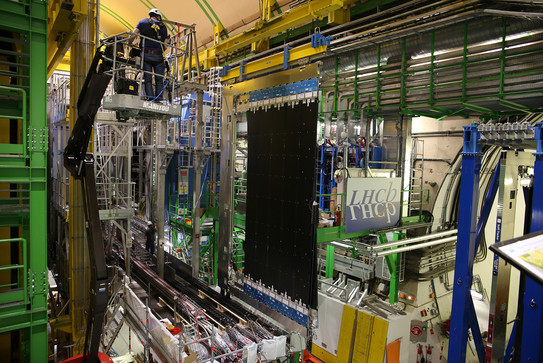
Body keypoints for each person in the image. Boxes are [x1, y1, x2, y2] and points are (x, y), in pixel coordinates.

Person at [128, 8, 169, 100]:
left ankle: (150, 98)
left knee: (148, 79)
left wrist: (129, 43)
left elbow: (132, 36)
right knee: (159, 80)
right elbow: (165, 47)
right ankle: (158, 99)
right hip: (158, 56)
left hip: (146, 55)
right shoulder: (163, 27)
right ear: (158, 17)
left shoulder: (142, 22)